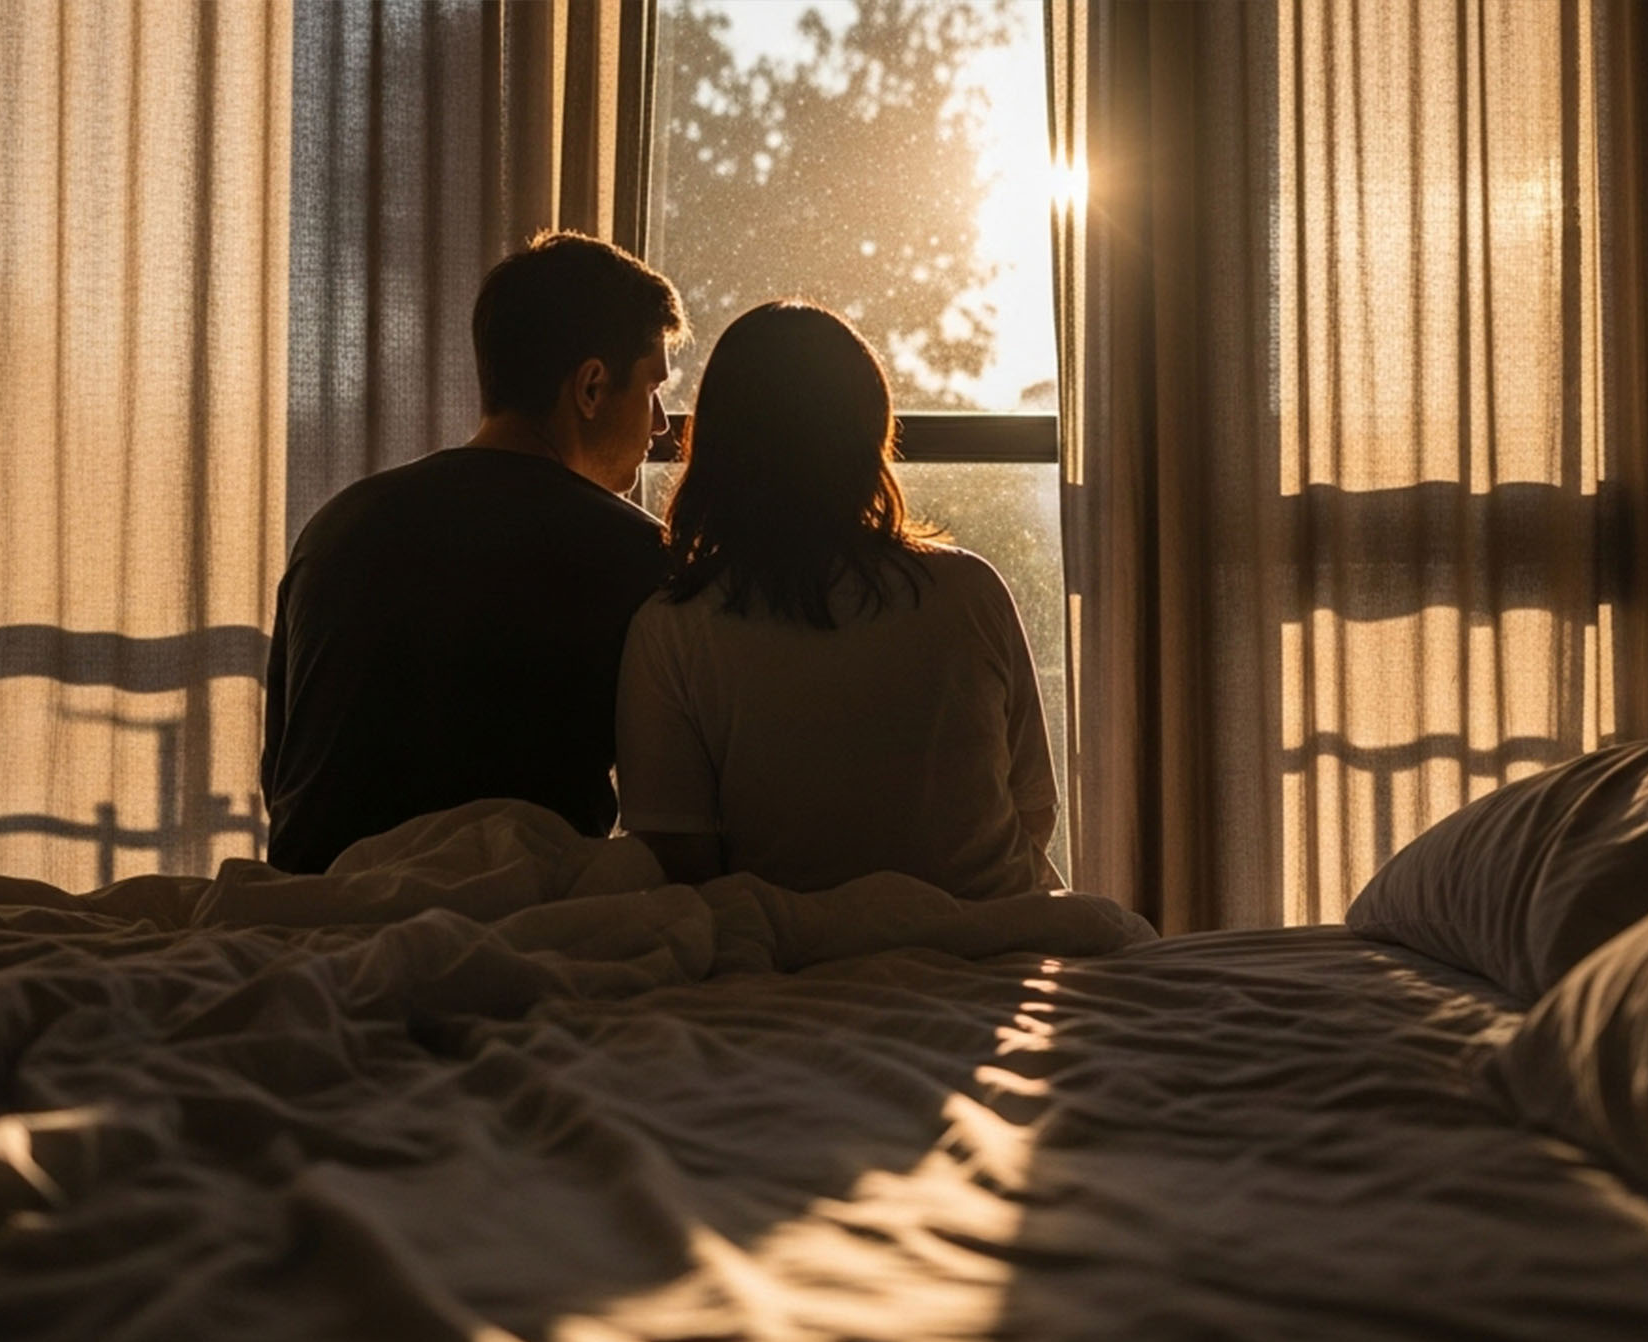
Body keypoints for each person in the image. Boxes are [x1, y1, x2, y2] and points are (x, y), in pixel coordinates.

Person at [261, 233, 684, 873]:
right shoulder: (637, 555)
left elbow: (283, 782)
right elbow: (672, 816)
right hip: (506, 921)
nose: (659, 426)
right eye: (652, 388)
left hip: (306, 917)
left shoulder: (335, 529)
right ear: (591, 387)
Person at [616, 301, 1062, 899]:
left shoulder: (672, 629)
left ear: (717, 444)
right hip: (1005, 937)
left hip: (791, 953)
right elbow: (1034, 813)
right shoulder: (970, 590)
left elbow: (680, 859)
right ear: (869, 430)